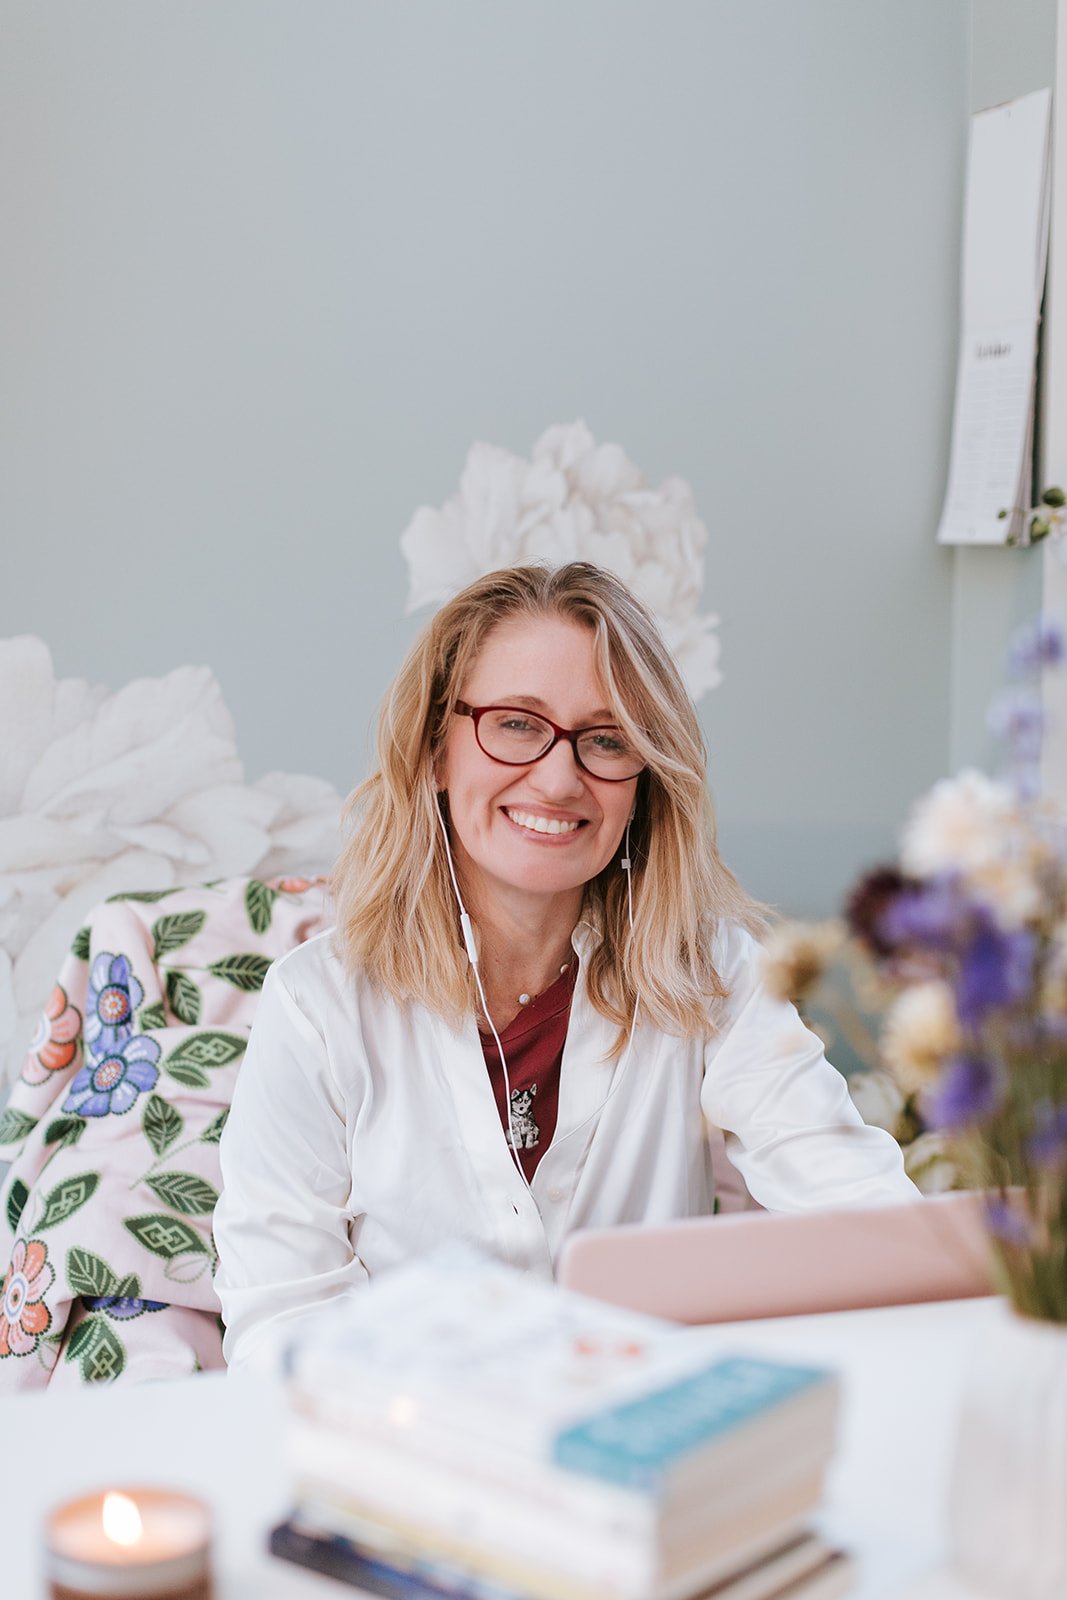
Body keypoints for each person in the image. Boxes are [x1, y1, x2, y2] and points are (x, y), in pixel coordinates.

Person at [213, 562, 915, 1370]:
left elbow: (863, 1217)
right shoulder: (317, 1007)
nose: (557, 776)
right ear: (436, 749)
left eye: (607, 738)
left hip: (646, 1451)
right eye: (516, 723)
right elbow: (281, 1329)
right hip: (404, 1462)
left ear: (643, 783)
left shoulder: (712, 974)